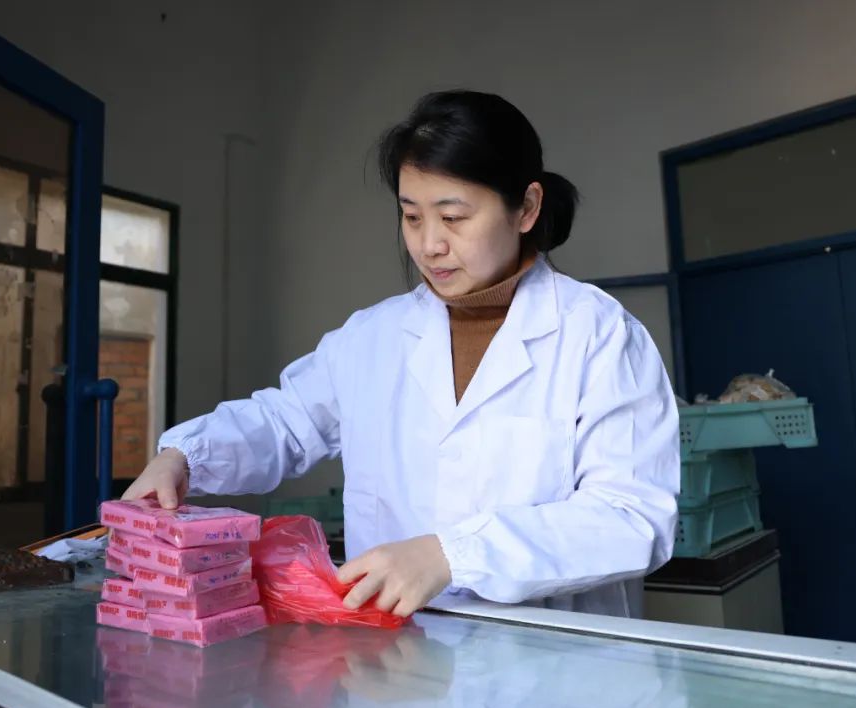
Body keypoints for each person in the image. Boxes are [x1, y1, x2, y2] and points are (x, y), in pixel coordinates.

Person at [123, 90, 680, 619]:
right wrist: (186, 456)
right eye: (412, 216)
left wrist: (453, 555)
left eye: (453, 217)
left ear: (527, 207)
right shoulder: (373, 336)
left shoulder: (599, 335)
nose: (429, 244)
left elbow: (631, 518)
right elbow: (285, 422)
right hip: (397, 655)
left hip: (547, 662)